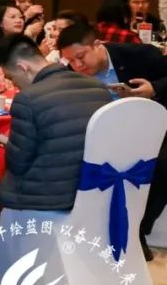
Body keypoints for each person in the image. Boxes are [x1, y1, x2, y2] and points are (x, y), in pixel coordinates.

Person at [58, 21, 167, 258]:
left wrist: (154, 89)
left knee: (161, 166)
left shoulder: (139, 55)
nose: (77, 65)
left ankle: (137, 229)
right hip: (100, 132)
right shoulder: (70, 73)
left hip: (149, 126)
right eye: (71, 60)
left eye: (81, 57)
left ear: (98, 44)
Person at [0, 35, 111, 215]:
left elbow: (17, 163)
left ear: (23, 68)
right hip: (93, 189)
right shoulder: (98, 87)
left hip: (48, 197)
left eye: (12, 78)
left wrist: (9, 144)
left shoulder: (27, 99)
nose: (14, 85)